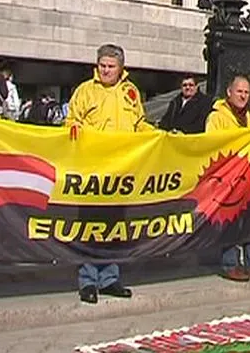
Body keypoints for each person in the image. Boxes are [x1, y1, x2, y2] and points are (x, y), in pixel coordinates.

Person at [66, 43, 151, 304]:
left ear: (121, 68)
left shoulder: (131, 92)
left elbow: (139, 125)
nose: (105, 70)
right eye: (102, 66)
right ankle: (88, 280)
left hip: (121, 172)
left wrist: (160, 138)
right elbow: (71, 123)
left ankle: (110, 278)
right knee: (91, 228)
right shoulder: (84, 91)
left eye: (110, 67)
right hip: (93, 172)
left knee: (115, 229)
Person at [206, 75, 250, 281]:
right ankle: (230, 264)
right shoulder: (217, 117)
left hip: (247, 178)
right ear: (229, 92)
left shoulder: (249, 117)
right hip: (227, 180)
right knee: (230, 222)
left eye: (246, 92)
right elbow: (211, 145)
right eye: (239, 91)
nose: (243, 96)